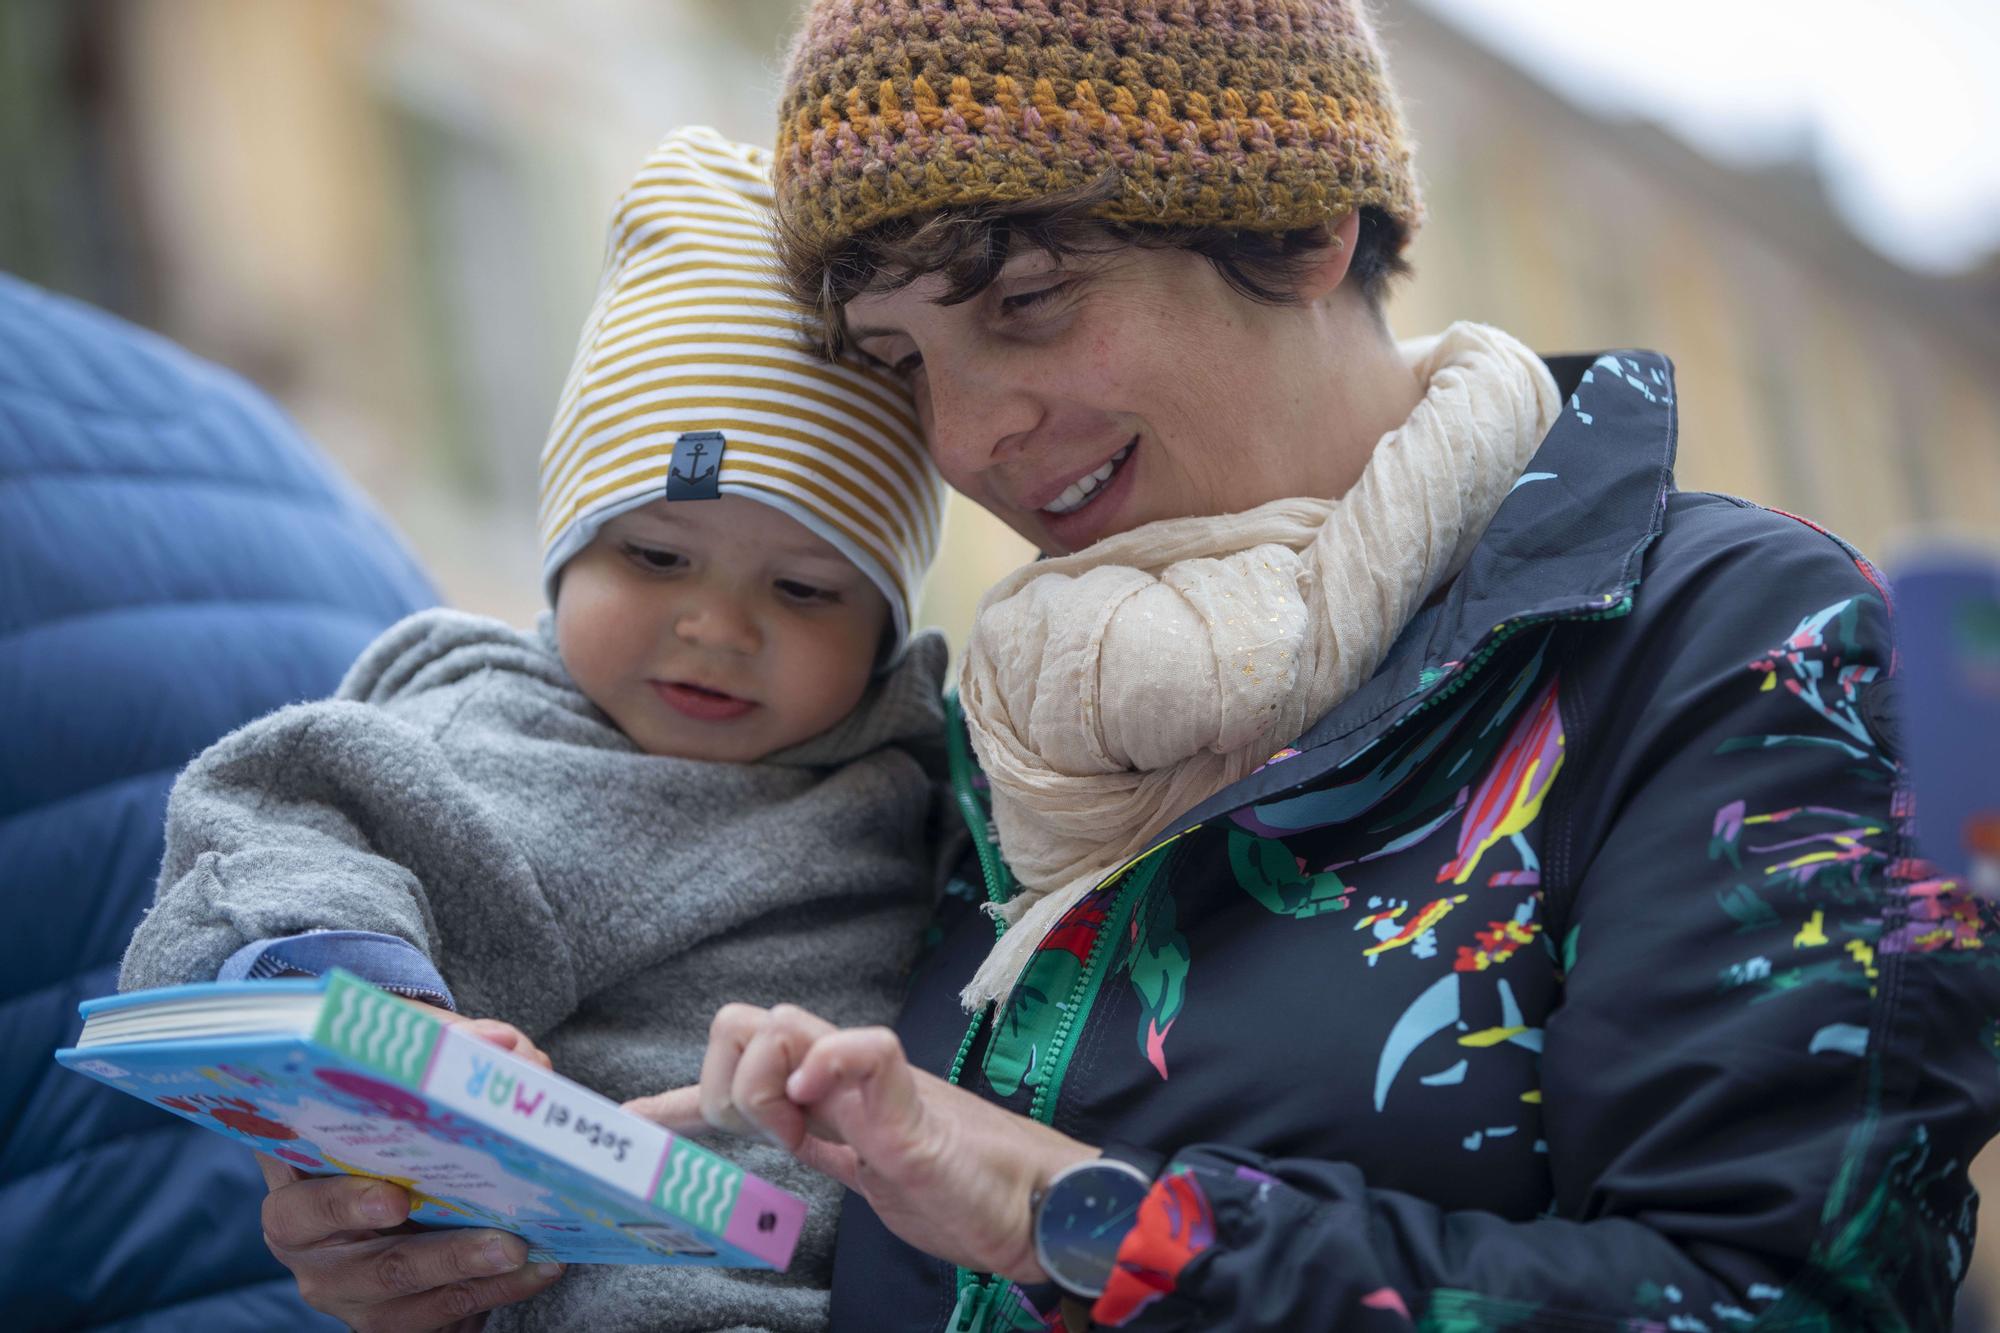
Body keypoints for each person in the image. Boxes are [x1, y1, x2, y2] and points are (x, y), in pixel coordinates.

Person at [250, 3, 2000, 1329]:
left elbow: (1779, 1292)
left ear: (1306, 227)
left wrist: (1068, 1209)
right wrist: (481, 1220)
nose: (971, 432)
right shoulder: (970, 731)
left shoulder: (1742, 643)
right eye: (898, 358)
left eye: (1022, 304)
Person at [117, 126, 947, 1333]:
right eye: (655, 557)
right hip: (610, 1286)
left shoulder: (938, 777)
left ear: (882, 625)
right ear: (563, 556)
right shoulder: (492, 734)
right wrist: (366, 998)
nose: (716, 627)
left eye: (805, 589)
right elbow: (278, 817)